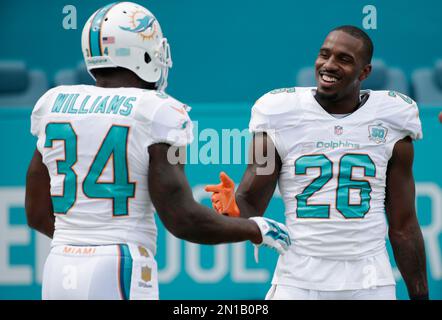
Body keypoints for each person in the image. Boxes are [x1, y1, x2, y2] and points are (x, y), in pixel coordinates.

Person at [25, 2, 291, 300]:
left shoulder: (53, 103)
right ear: (144, 51)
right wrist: (255, 229)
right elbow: (182, 219)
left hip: (60, 263)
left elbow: (36, 213)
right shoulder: (157, 111)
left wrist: (82, 244)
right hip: (118, 266)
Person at [205, 25, 429, 300]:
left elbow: (404, 225)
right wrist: (234, 210)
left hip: (370, 281)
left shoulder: (391, 119)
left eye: (344, 59)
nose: (329, 65)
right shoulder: (280, 114)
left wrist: (421, 295)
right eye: (325, 55)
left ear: (364, 72)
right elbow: (252, 202)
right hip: (298, 280)